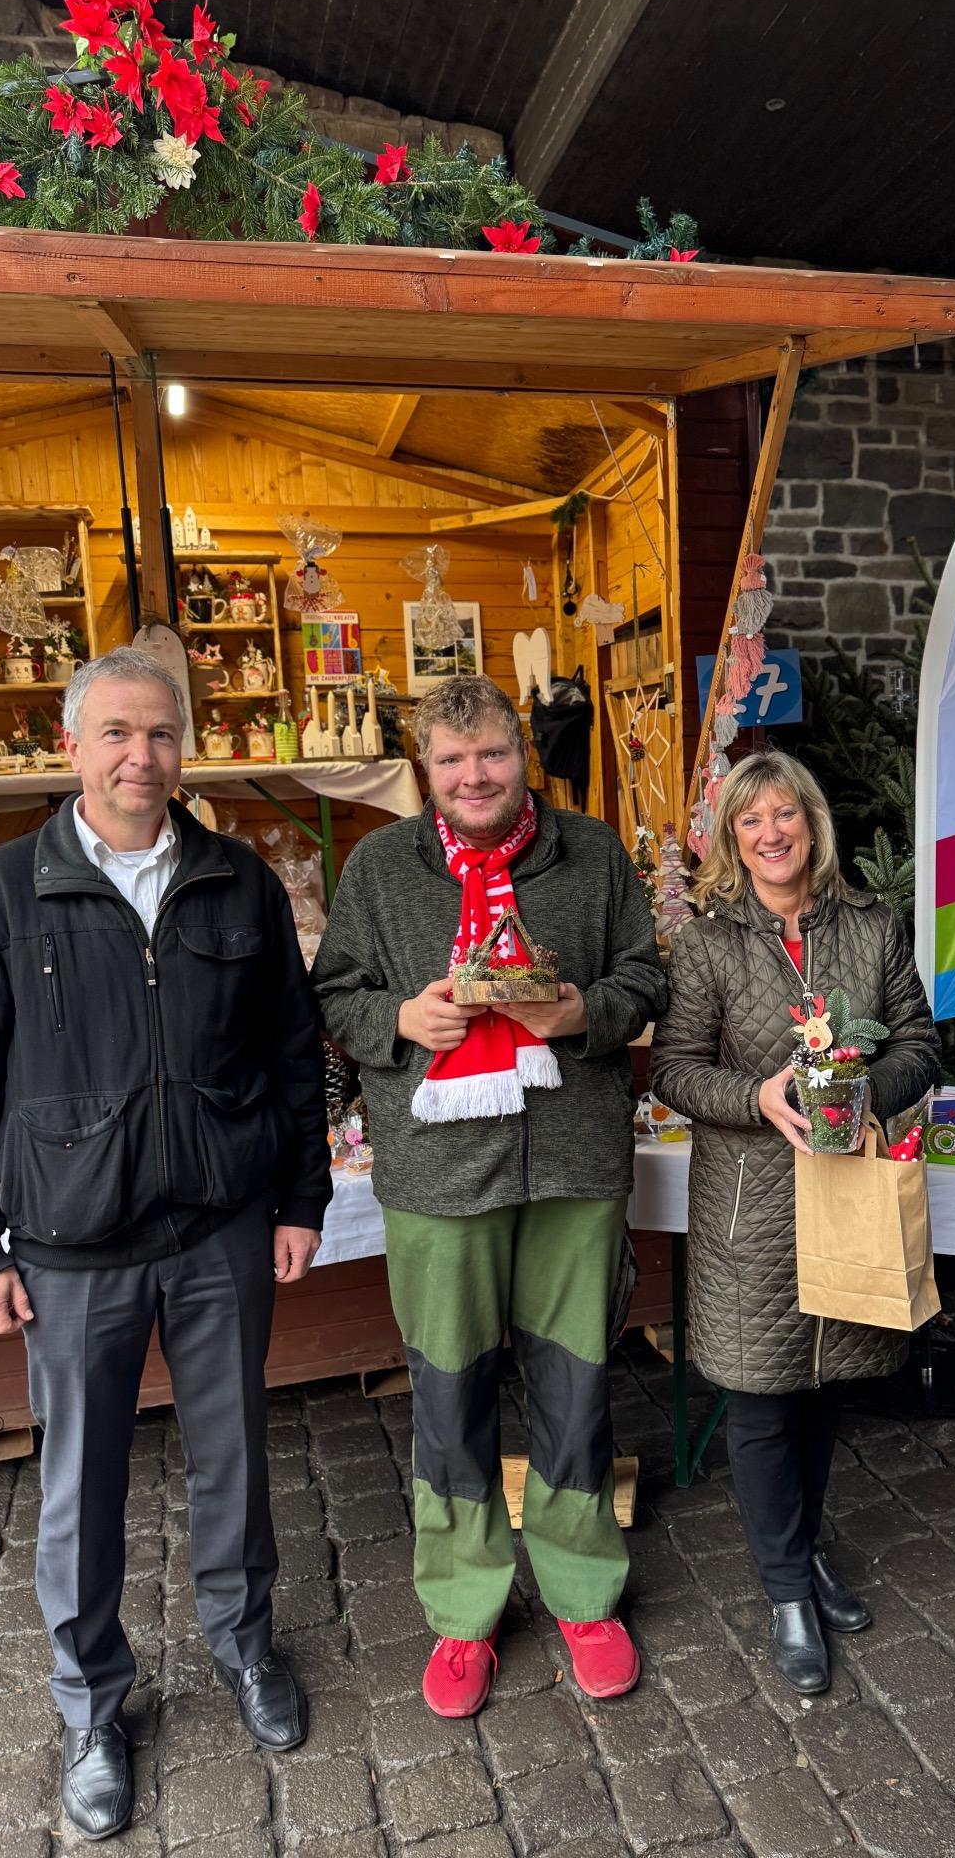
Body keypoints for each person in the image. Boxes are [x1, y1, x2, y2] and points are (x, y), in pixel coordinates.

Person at [0, 647, 331, 1842]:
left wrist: (300, 1200)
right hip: (69, 1249)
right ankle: (94, 1704)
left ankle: (244, 1648)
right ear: (72, 747)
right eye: (115, 735)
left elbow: (297, 1059)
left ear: (184, 747)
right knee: (80, 1484)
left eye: (159, 735)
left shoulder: (240, 883)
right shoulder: (3, 892)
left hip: (218, 1233)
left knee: (236, 1459)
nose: (139, 757)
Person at [313, 674, 665, 1719]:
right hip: (436, 1171)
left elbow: (649, 978)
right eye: (454, 758)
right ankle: (465, 1610)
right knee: (450, 1394)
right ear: (426, 767)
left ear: (525, 758)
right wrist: (397, 1023)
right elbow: (333, 989)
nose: (476, 775)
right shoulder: (380, 867)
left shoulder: (593, 854)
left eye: (494, 754)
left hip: (570, 1160)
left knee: (575, 1384)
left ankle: (582, 1588)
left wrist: (582, 1015)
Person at [650, 750, 941, 1694]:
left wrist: (862, 1090)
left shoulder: (870, 924)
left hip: (847, 1186)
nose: (772, 833)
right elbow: (674, 1069)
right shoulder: (708, 947)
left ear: (812, 822)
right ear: (733, 840)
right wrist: (758, 1094)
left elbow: (921, 1041)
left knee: (826, 1384)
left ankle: (806, 1553)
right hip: (753, 1205)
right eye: (750, 821)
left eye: (785, 814)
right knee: (765, 1394)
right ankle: (784, 1591)